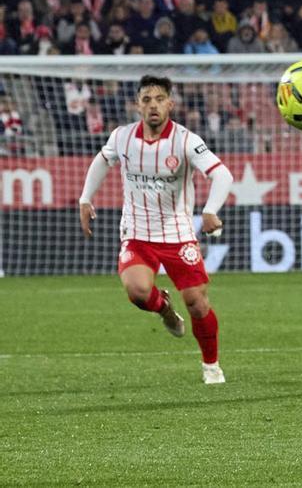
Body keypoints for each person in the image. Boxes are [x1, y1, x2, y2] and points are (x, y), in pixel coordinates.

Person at [77, 75, 233, 384]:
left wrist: (211, 210)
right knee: (136, 292)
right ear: (138, 105)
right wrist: (85, 197)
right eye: (146, 100)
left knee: (197, 303)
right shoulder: (122, 137)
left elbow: (222, 175)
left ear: (170, 104)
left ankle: (211, 365)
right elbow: (102, 160)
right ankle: (163, 309)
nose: (153, 106)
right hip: (137, 232)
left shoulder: (187, 140)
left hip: (178, 233)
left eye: (159, 99)